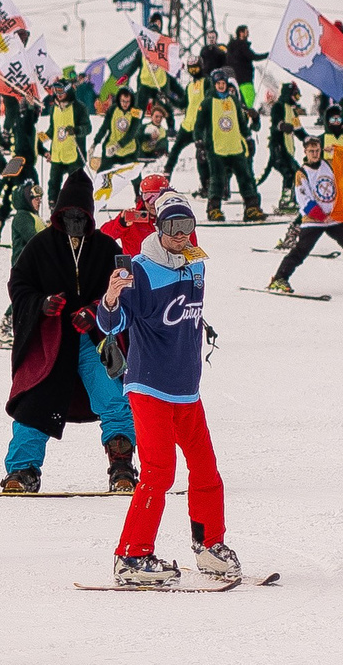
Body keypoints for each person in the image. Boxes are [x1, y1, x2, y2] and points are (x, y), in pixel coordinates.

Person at [97, 196, 239, 583]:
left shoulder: (196, 263)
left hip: (187, 389)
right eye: (172, 227)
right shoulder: (141, 270)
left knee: (206, 470)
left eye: (186, 226)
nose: (180, 235)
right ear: (159, 229)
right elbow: (112, 324)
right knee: (159, 473)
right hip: (149, 387)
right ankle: (131, 556)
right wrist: (111, 297)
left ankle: (209, 546)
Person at [0, 167, 132, 493]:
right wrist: (42, 304)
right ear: (59, 213)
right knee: (35, 402)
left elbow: (126, 286)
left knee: (113, 398)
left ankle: (122, 467)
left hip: (94, 340)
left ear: (89, 214)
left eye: (80, 214)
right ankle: (22, 471)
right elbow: (19, 285)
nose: (74, 220)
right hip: (51, 342)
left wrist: (96, 309)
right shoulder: (40, 245)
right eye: (68, 214)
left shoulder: (106, 247)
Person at [268, 132, 343, 294]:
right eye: (311, 151)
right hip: (314, 221)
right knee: (300, 252)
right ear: (305, 152)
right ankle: (279, 279)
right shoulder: (302, 173)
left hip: (336, 218)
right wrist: (321, 216)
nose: (315, 154)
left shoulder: (330, 165)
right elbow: (304, 199)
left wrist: (338, 151)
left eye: (317, 150)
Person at [196, 68, 265, 221]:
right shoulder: (207, 102)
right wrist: (199, 143)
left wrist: (247, 138)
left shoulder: (233, 100)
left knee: (245, 178)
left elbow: (240, 122)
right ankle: (214, 209)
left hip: (235, 147)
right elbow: (198, 125)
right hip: (217, 149)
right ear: (213, 84)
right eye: (218, 83)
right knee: (217, 180)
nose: (221, 86)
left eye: (223, 83)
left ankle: (251, 207)